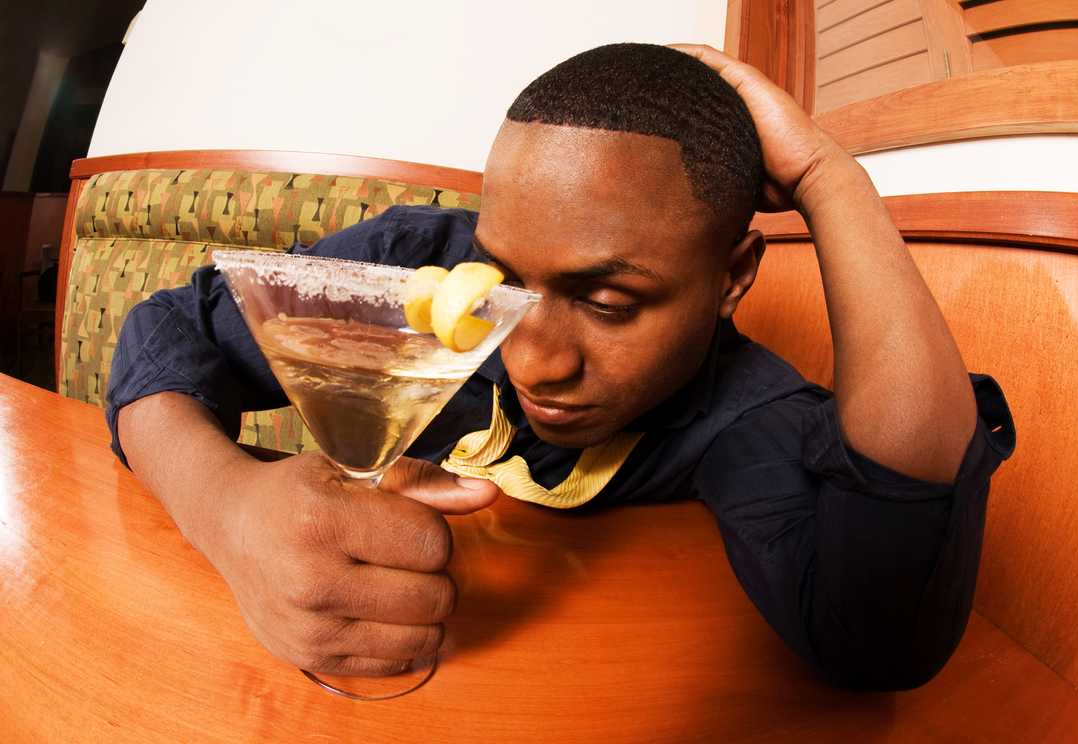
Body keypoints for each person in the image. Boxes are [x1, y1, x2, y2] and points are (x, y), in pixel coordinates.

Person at [106, 43, 1014, 690]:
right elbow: (171, 330)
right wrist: (222, 507)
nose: (535, 358)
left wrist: (829, 178)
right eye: (498, 280)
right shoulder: (408, 266)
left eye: (609, 303)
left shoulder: (744, 411)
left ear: (733, 278)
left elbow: (875, 637)